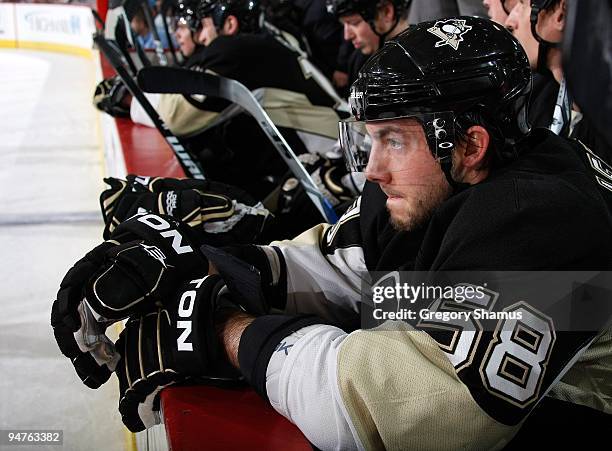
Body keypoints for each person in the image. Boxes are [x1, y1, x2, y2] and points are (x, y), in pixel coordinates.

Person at [55, 16, 612, 447]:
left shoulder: (547, 222)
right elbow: (350, 272)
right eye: (372, 139)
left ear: (469, 143)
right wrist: (206, 265)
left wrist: (225, 333)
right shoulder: (444, 182)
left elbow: (398, 413)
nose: (371, 169)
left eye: (394, 139)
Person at [326, 0, 411, 86]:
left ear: (387, 12)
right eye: (343, 24)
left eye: (354, 23)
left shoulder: (418, 60)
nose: (347, 36)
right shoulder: (358, 60)